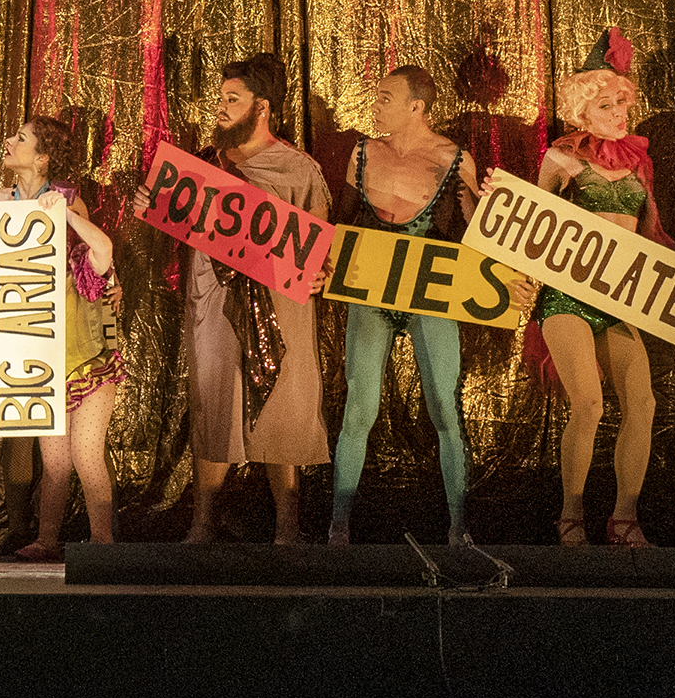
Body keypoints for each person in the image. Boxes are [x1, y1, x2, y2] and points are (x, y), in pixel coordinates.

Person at [183, 55, 331, 542]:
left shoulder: (298, 169)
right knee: (214, 403)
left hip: (281, 305)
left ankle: (287, 529)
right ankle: (202, 525)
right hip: (215, 303)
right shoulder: (203, 165)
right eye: (220, 100)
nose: (221, 109)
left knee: (284, 408)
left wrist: (323, 274)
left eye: (232, 100)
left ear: (262, 107)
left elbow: (323, 245)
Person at [529, 61, 674, 546]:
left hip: (617, 298)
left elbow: (651, 236)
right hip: (567, 295)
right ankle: (570, 515)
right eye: (605, 105)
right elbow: (529, 225)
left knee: (644, 403)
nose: (618, 113)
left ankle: (624, 518)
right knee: (588, 403)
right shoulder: (562, 159)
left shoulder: (637, 163)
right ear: (582, 112)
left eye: (622, 103)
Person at [330, 64, 471, 547]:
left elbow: (470, 238)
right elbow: (341, 220)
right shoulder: (364, 152)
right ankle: (339, 525)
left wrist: (478, 204)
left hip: (429, 292)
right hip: (371, 288)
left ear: (418, 105)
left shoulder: (454, 158)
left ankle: (458, 528)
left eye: (386, 97)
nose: (376, 106)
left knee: (446, 411)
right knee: (358, 409)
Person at [0, 114, 124, 560]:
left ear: (43, 156)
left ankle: (103, 542)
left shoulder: (68, 201)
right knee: (54, 462)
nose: (9, 141)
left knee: (87, 455)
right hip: (37, 351)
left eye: (20, 136)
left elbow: (101, 256)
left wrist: (63, 212)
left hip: (83, 351)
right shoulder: (0, 204)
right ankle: (48, 540)